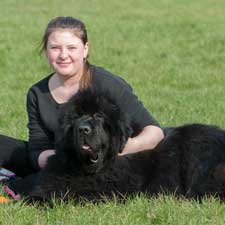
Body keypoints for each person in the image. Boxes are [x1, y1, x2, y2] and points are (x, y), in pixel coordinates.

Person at [0, 16, 164, 177]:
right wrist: (67, 160)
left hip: (107, 162)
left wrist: (119, 150)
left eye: (71, 48)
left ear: (85, 49)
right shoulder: (37, 93)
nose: (63, 55)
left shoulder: (107, 84)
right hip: (62, 160)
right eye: (55, 48)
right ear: (45, 50)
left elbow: (155, 132)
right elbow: (37, 151)